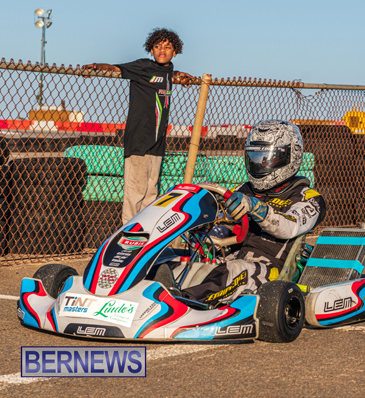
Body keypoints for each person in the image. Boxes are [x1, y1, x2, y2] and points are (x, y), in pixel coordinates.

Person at [180, 120, 327, 305]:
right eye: (255, 157)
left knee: (237, 270)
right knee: (176, 259)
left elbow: (290, 226)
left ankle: (182, 305)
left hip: (271, 271)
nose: (261, 164)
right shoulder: (243, 189)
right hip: (228, 260)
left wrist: (257, 208)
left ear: (290, 155)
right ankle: (151, 295)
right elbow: (222, 226)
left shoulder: (308, 197)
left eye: (267, 158)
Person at [82, 28, 195, 222]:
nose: (162, 50)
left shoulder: (169, 73)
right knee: (135, 194)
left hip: (157, 144)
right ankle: (128, 237)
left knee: (151, 194)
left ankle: (145, 237)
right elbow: (115, 68)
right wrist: (96, 67)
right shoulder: (143, 67)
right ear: (150, 50)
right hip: (138, 142)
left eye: (168, 47)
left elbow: (169, 74)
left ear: (175, 51)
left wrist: (182, 75)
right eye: (157, 46)